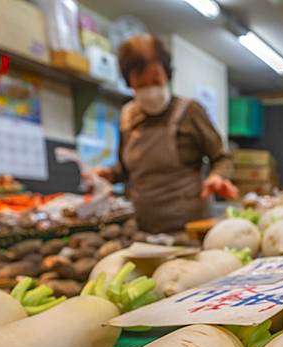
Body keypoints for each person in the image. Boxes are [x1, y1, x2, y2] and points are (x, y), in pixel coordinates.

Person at [86, 34, 238, 235]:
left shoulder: (190, 112)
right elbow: (127, 169)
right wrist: (107, 175)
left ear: (166, 74)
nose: (150, 88)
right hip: (146, 229)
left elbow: (222, 158)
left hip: (192, 228)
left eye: (156, 78)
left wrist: (217, 177)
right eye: (141, 82)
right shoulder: (127, 118)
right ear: (129, 81)